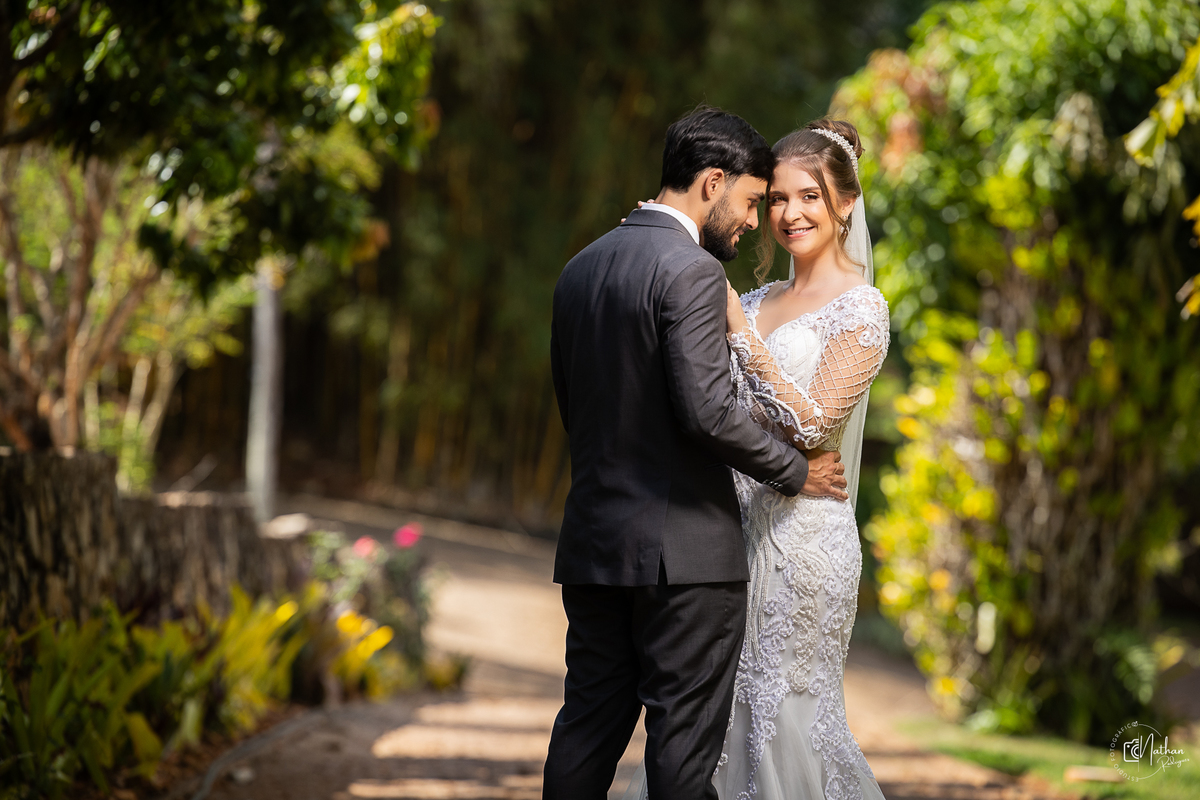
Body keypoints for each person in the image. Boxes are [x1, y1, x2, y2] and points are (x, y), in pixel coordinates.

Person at [544, 106, 849, 800]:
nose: (752, 221)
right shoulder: (692, 270)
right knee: (682, 759)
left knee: (585, 730)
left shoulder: (579, 269)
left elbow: (577, 406)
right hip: (685, 563)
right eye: (750, 200)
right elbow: (707, 410)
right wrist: (796, 471)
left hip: (593, 548)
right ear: (713, 182)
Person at [624, 118, 891, 800]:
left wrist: (740, 334)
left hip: (805, 541)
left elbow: (815, 422)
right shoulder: (751, 299)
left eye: (809, 196)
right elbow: (706, 405)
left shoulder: (862, 309)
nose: (789, 213)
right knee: (715, 716)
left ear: (846, 203)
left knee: (785, 716)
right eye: (776, 199)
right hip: (728, 535)